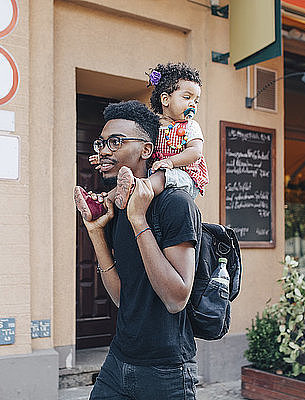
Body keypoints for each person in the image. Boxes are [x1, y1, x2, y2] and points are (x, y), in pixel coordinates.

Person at [78, 100, 201, 399]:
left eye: (115, 142)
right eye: (101, 143)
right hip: (118, 359)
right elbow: (123, 297)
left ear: (146, 150)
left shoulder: (175, 204)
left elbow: (176, 298)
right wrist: (95, 232)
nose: (104, 150)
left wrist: (137, 218)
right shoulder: (117, 207)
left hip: (167, 371)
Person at [73, 62, 208, 221]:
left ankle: (134, 192)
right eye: (187, 97)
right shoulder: (154, 125)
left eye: (196, 101)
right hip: (155, 174)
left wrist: (171, 162)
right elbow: (139, 148)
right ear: (165, 99)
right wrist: (106, 158)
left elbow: (195, 152)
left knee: (159, 177)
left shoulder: (190, 126)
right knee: (130, 182)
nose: (192, 103)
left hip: (184, 175)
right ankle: (99, 205)